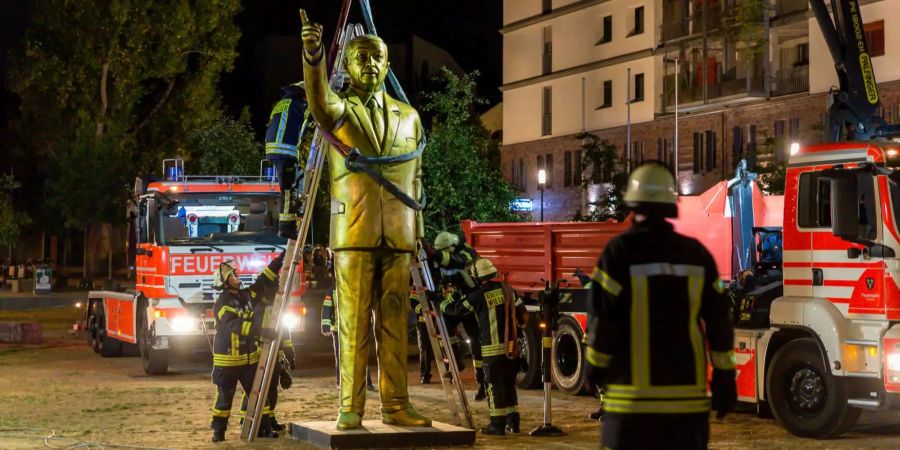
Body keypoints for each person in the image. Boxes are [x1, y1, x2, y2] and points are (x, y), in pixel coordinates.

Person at [301, 10, 429, 430]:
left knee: (395, 322)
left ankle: (395, 404)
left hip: (399, 234)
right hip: (354, 233)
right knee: (352, 323)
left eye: (377, 57)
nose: (370, 65)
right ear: (349, 67)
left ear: (387, 64)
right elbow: (317, 100)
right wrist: (314, 56)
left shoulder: (409, 117)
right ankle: (350, 407)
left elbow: (417, 177)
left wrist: (419, 231)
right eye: (362, 58)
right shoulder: (338, 109)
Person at [584, 163, 736, 450]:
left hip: (631, 405)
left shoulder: (618, 253)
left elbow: (604, 320)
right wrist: (725, 377)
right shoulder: (697, 255)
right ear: (671, 203)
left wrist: (594, 368)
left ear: (633, 203)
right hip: (686, 406)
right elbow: (719, 321)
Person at [441, 258, 523, 435]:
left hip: (491, 351)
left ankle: (497, 425)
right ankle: (513, 423)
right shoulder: (509, 290)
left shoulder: (478, 296)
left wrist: (444, 302)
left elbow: (456, 311)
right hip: (511, 350)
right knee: (509, 385)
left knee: (493, 386)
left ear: (478, 278)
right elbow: (523, 316)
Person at [209, 253, 284, 442]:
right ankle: (219, 431)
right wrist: (261, 331)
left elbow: (261, 282)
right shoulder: (222, 304)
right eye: (233, 275)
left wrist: (277, 263)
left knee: (259, 394)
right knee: (224, 399)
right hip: (228, 361)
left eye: (236, 273)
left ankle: (262, 427)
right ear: (225, 282)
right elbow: (233, 326)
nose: (237, 277)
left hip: (248, 358)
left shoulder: (245, 296)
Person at [426, 232, 486, 400]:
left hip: (473, 299)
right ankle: (455, 361)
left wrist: (434, 254)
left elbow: (455, 261)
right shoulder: (445, 255)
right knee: (444, 324)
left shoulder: (467, 252)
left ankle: (482, 383)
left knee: (476, 340)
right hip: (458, 296)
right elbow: (440, 271)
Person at [320, 291, 376, 391]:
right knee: (341, 357)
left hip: (355, 329)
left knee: (360, 356)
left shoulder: (357, 285)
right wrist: (325, 327)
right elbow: (327, 309)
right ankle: (341, 383)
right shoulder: (332, 291)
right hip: (339, 330)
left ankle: (366, 383)